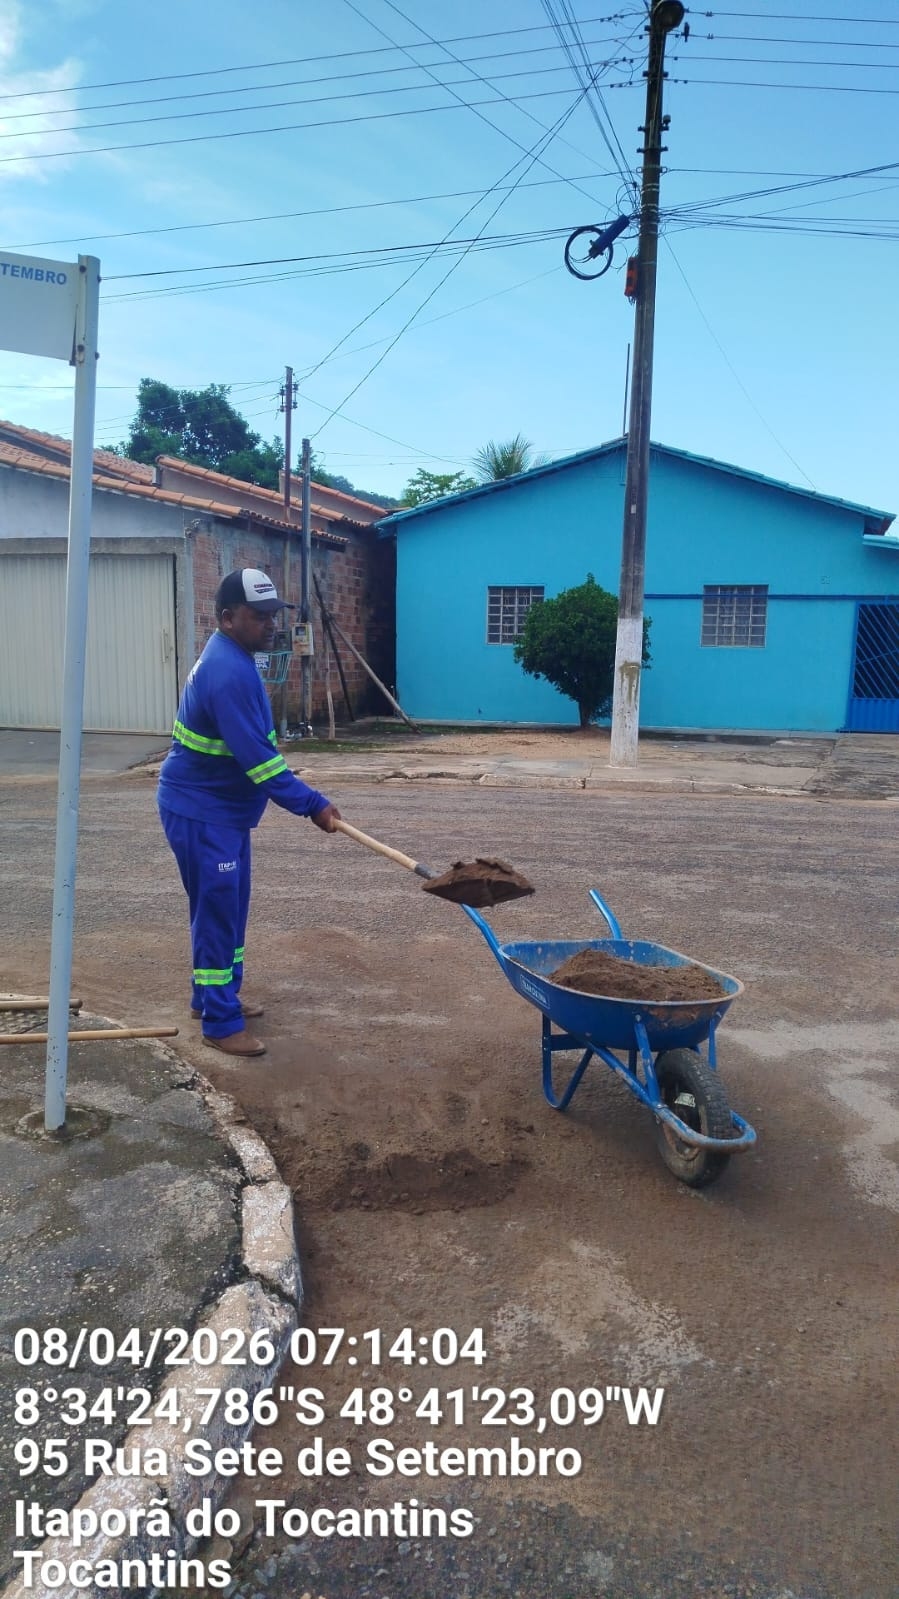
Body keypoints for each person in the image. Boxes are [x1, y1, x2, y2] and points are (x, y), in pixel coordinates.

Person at [157, 568, 341, 1058]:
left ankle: (213, 996)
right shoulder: (227, 672)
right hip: (201, 810)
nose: (270, 625)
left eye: (272, 616)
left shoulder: (239, 659)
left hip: (224, 812)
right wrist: (313, 805)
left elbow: (257, 750)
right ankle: (220, 1021)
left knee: (228, 907)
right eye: (258, 617)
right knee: (218, 912)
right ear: (227, 618)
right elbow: (261, 764)